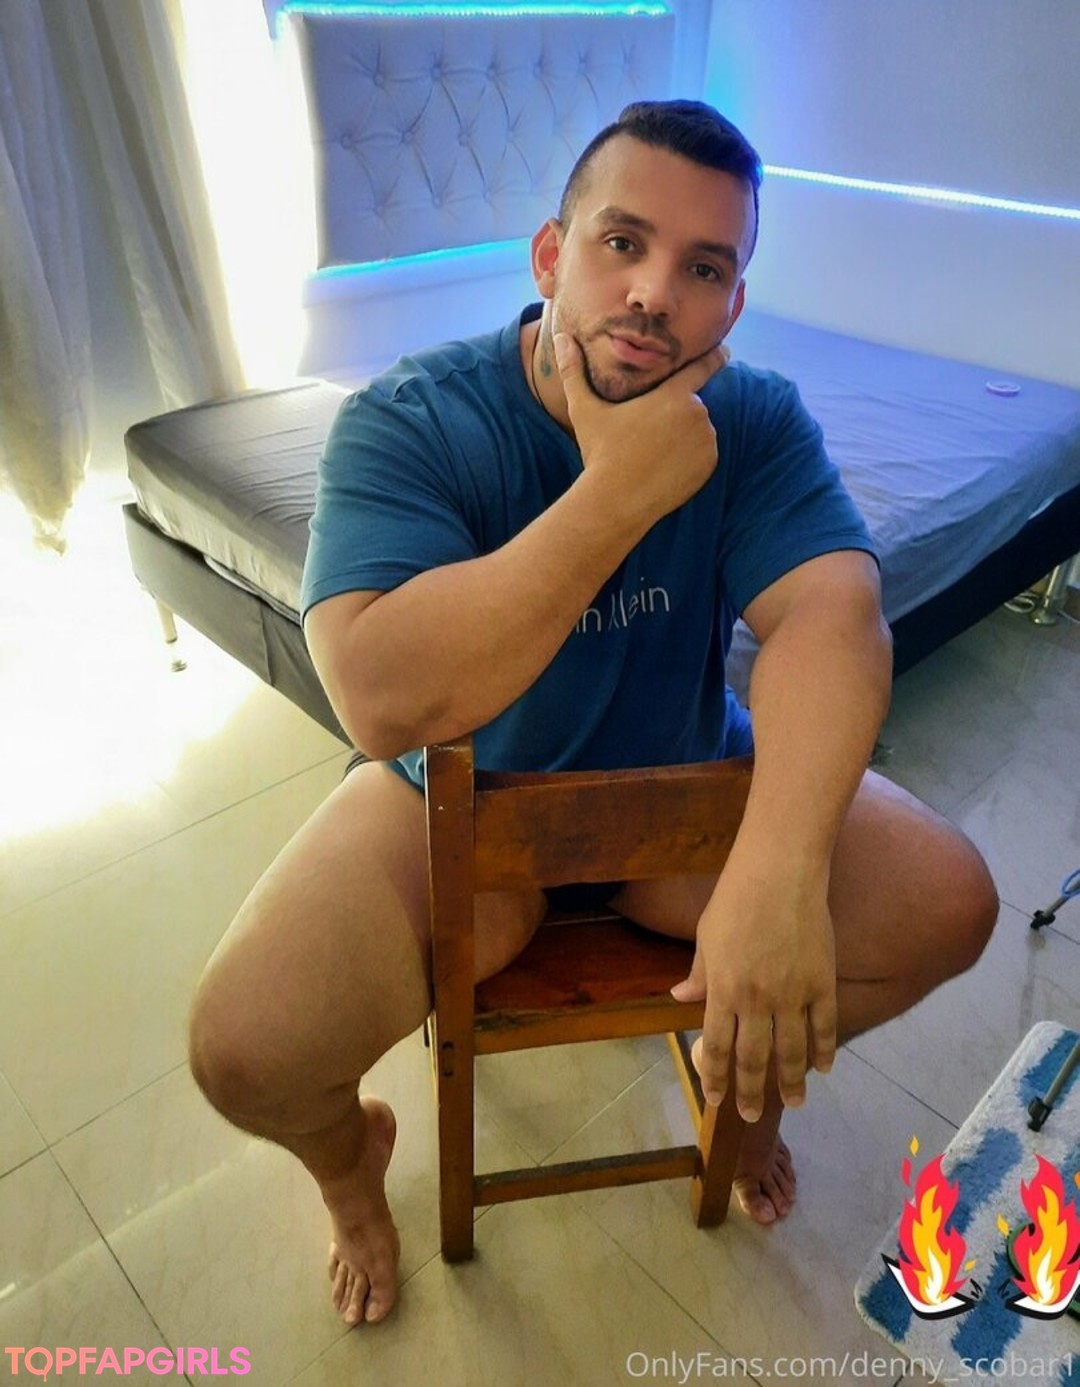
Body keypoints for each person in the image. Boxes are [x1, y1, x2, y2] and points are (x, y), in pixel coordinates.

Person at [187, 100, 998, 1329]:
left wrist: (778, 873)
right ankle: (353, 1176)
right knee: (246, 1050)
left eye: (703, 268)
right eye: (623, 243)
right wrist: (617, 491)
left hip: (676, 805)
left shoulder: (756, 419)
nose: (654, 293)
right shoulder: (413, 419)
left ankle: (746, 1094)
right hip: (459, 807)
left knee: (950, 903)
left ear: (732, 305)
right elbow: (380, 697)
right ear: (551, 256)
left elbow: (833, 621)